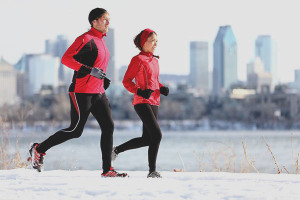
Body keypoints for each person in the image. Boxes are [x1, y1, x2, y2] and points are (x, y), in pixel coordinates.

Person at [29, 8, 127, 177]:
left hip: (98, 92)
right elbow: (66, 59)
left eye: (108, 20)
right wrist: (89, 72)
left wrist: (102, 79)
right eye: (104, 19)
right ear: (94, 21)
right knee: (75, 130)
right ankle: (39, 149)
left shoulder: (102, 42)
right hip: (81, 91)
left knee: (108, 126)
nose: (108, 23)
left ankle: (107, 170)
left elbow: (96, 65)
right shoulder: (85, 39)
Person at [111, 28, 169, 178]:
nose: (155, 43)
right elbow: (126, 81)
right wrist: (139, 91)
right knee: (157, 135)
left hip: (155, 101)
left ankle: (116, 150)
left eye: (156, 40)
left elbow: (154, 81)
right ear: (143, 43)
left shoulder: (155, 60)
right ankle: (152, 171)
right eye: (151, 40)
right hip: (142, 101)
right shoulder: (137, 60)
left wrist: (161, 88)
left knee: (147, 139)